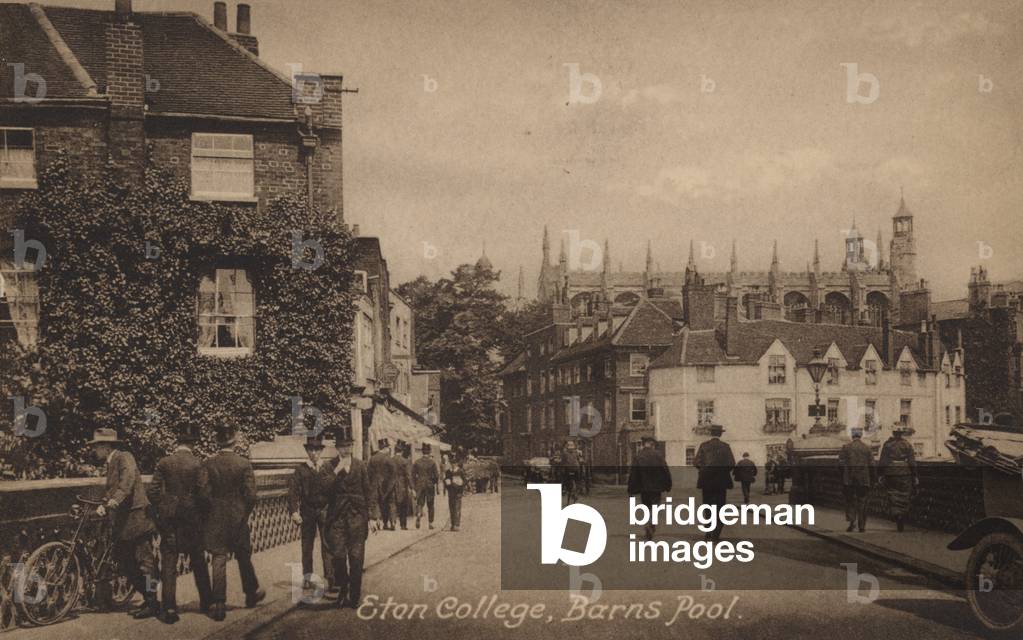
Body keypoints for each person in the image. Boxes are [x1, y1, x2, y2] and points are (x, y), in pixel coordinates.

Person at [87, 428, 160, 619]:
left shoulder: (124, 456)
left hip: (136, 519)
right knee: (126, 562)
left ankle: (153, 602)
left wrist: (115, 500)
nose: (94, 451)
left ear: (105, 446)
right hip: (125, 522)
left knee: (145, 562)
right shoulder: (111, 463)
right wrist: (105, 503)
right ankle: (148, 598)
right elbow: (114, 488)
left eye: (96, 447)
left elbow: (127, 481)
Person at [198, 422, 265, 622]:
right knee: (243, 556)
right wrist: (243, 513)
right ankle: (251, 593)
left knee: (218, 558)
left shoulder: (208, 463)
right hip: (238, 518)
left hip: (215, 520)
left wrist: (210, 512)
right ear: (234, 442)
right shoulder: (243, 464)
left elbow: (202, 495)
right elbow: (252, 495)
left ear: (217, 442)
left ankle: (218, 603)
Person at [148, 424, 212, 624]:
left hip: (169, 520)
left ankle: (168, 608)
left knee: (168, 562)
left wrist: (165, 507)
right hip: (192, 520)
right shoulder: (198, 464)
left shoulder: (165, 462)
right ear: (193, 443)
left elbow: (152, 492)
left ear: (177, 442)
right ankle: (207, 603)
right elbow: (203, 494)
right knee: (198, 560)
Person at [325, 428, 381, 609]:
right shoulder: (330, 465)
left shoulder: (360, 466)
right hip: (337, 519)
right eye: (342, 446)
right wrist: (336, 472)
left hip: (357, 517)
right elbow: (322, 489)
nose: (346, 450)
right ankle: (344, 587)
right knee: (338, 556)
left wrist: (373, 517)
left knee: (356, 558)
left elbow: (370, 491)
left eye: (348, 446)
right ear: (337, 448)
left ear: (352, 446)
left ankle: (354, 596)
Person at [287, 434, 335, 594]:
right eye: (311, 450)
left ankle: (330, 577)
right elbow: (292, 492)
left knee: (328, 544)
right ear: (307, 451)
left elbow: (335, 489)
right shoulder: (300, 470)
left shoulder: (327, 468)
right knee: (307, 546)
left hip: (325, 510)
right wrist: (294, 511)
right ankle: (307, 577)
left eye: (317, 450)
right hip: (307, 511)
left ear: (321, 451)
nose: (314, 453)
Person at [693, 424, 735, 541]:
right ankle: (716, 535)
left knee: (707, 507)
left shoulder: (704, 446)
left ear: (710, 433)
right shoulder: (726, 447)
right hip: (721, 483)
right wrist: (722, 472)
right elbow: (731, 463)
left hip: (706, 482)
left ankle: (708, 532)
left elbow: (696, 462)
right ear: (720, 434)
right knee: (720, 508)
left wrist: (704, 470)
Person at [627, 436, 672, 540]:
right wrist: (668, 485)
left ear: (643, 444)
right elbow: (665, 471)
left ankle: (648, 524)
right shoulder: (658, 456)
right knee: (655, 507)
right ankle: (651, 524)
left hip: (644, 488)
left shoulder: (639, 456)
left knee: (646, 507)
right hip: (656, 488)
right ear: (652, 444)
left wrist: (631, 489)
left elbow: (633, 474)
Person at [879, 426, 918, 532]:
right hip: (905, 472)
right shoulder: (907, 444)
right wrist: (915, 475)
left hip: (890, 472)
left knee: (892, 493)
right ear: (902, 433)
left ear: (893, 433)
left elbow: (882, 461)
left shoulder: (887, 445)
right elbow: (912, 462)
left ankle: (896, 514)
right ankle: (902, 515)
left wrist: (881, 474)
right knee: (904, 494)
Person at [839, 427, 875, 533]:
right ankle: (862, 526)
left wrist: (843, 476)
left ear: (852, 435)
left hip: (849, 479)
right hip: (864, 480)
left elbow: (840, 464)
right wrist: (873, 478)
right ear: (861, 435)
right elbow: (872, 465)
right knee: (862, 502)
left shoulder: (846, 447)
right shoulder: (867, 448)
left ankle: (852, 522)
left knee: (850, 501)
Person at [368, 438, 397, 530]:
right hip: (387, 485)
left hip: (374, 485)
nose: (389, 449)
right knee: (391, 503)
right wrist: (391, 486)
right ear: (385, 448)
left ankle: (378, 521)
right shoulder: (389, 459)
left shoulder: (372, 459)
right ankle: (392, 522)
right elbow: (393, 474)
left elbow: (368, 473)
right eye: (388, 447)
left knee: (376, 503)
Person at [412, 444, 440, 529]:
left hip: (420, 485)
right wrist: (434, 482)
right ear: (429, 451)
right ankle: (430, 523)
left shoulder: (417, 462)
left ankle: (419, 514)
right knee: (430, 504)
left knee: (420, 502)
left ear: (422, 452)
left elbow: (413, 475)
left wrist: (415, 484)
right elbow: (436, 476)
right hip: (429, 485)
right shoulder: (432, 462)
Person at [393, 441, 414, 530]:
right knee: (403, 505)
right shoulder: (405, 461)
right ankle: (403, 525)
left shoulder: (390, 460)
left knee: (393, 504)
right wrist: (412, 487)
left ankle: (393, 522)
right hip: (402, 485)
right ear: (401, 451)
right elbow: (408, 475)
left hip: (392, 484)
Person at [444, 455, 468, 531]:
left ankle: (457, 525)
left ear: (457, 463)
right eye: (452, 463)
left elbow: (465, 481)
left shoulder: (460, 471)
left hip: (458, 492)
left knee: (457, 508)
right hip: (451, 492)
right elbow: (446, 480)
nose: (453, 465)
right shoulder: (448, 471)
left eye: (454, 463)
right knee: (451, 508)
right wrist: (447, 485)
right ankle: (452, 524)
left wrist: (460, 486)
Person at [559, 440, 582, 504]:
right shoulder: (577, 452)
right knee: (578, 480)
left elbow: (562, 462)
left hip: (568, 469)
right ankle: (577, 491)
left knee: (564, 479)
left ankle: (564, 490)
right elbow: (579, 460)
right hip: (576, 469)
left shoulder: (565, 453)